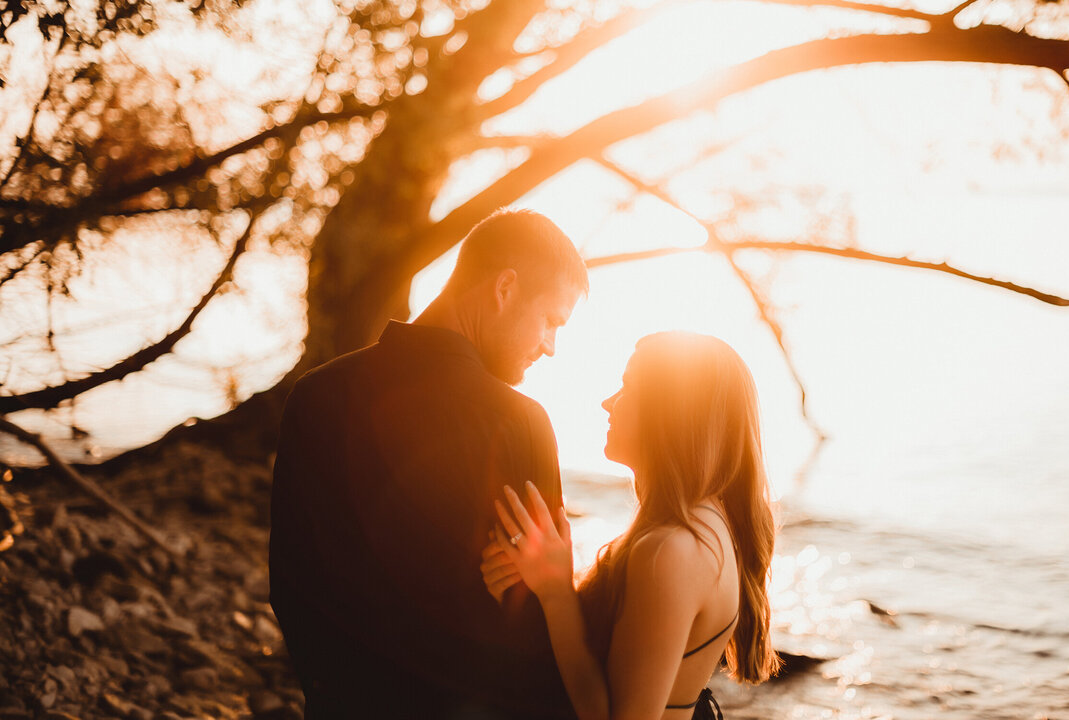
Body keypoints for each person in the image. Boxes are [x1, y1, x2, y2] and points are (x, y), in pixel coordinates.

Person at [269, 208, 589, 719]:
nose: (550, 347)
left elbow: (290, 586)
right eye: (551, 321)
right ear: (505, 288)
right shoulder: (521, 423)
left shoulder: (315, 395)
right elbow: (530, 621)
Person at [481, 331, 780, 720]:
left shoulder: (676, 550)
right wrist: (530, 582)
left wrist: (555, 592)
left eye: (626, 387)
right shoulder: (696, 525)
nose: (608, 403)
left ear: (670, 412)